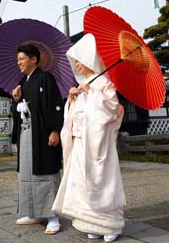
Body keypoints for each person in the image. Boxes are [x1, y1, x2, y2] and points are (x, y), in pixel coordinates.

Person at [52, 33, 126, 242]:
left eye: (79, 63)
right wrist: (73, 100)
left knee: (103, 180)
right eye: (75, 63)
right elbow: (75, 114)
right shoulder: (86, 83)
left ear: (88, 60)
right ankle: (90, 222)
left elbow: (113, 109)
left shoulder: (104, 83)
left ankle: (110, 225)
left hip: (98, 143)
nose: (77, 67)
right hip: (81, 140)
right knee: (82, 182)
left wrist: (93, 93)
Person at [11, 43, 64, 235]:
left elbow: (55, 105)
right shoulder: (22, 82)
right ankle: (32, 213)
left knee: (46, 174)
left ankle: (53, 216)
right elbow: (19, 110)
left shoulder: (46, 78)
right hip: (27, 134)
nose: (19, 63)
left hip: (42, 134)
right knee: (27, 174)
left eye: (22, 59)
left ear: (34, 59)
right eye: (18, 60)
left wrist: (55, 130)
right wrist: (16, 100)